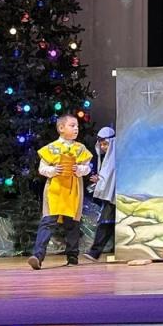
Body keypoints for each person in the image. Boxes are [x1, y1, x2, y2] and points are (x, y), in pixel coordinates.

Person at [30, 115, 93, 269]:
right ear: (61, 128)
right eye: (72, 125)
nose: (76, 128)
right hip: (55, 191)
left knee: (72, 224)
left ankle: (72, 257)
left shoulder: (80, 148)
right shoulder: (51, 148)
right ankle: (37, 256)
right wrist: (53, 170)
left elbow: (87, 167)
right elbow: (42, 168)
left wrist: (79, 169)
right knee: (48, 222)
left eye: (77, 126)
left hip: (73, 191)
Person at [85, 126, 117, 262]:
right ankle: (95, 252)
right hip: (109, 195)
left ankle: (95, 252)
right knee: (106, 222)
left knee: (107, 221)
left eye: (105, 144)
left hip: (115, 194)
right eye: (101, 144)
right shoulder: (104, 159)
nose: (103, 147)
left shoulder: (115, 157)